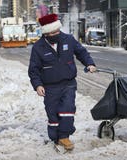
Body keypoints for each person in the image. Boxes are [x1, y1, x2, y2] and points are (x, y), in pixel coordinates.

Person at [28, 13, 96, 151]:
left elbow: (82, 52)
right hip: (50, 87)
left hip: (68, 84)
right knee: (52, 114)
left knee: (67, 110)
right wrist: (38, 85)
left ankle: (64, 137)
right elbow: (33, 70)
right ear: (46, 33)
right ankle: (55, 137)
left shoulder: (68, 39)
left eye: (57, 31)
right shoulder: (38, 47)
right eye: (53, 32)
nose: (56, 34)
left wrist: (89, 63)